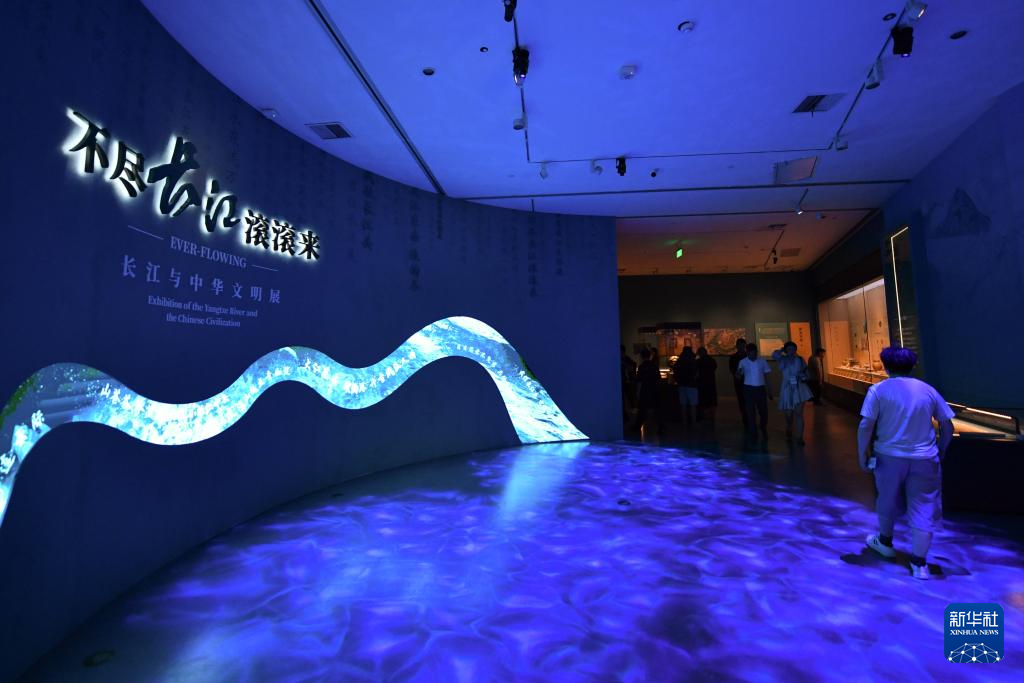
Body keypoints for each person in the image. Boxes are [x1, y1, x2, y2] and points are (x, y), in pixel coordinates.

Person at [859, 347, 954, 580]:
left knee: (886, 498)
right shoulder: (927, 390)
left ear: (885, 366)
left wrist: (862, 454)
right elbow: (947, 425)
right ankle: (919, 563)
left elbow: (866, 425)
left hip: (888, 456)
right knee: (924, 506)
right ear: (913, 366)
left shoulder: (878, 390)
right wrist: (941, 449)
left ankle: (885, 542)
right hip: (925, 458)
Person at [772, 342, 814, 444]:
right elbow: (774, 355)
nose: (791, 351)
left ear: (795, 350)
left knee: (799, 414)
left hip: (799, 387)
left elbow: (807, 373)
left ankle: (800, 437)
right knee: (788, 415)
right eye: (788, 349)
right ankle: (789, 426)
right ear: (786, 350)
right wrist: (781, 350)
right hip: (786, 388)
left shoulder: (800, 359)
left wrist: (803, 376)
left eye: (793, 349)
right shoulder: (782, 359)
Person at [737, 343, 772, 438]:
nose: (751, 355)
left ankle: (763, 426)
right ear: (747, 352)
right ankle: (753, 431)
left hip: (760, 388)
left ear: (756, 352)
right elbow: (738, 376)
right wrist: (738, 373)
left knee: (763, 411)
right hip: (748, 389)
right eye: (749, 353)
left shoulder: (762, 361)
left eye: (753, 353)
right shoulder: (742, 362)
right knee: (750, 411)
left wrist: (769, 390)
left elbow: (767, 376)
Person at [632, 347, 661, 434]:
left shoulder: (641, 367)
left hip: (644, 390)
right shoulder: (654, 366)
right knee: (656, 409)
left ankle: (637, 426)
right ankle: (661, 426)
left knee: (642, 409)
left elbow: (639, 381)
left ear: (642, 356)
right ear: (649, 355)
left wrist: (637, 392)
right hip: (654, 390)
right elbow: (658, 378)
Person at [673, 347, 698, 425]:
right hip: (692, 385)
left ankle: (684, 422)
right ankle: (693, 422)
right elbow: (696, 373)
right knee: (693, 405)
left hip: (681, 385)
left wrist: (678, 381)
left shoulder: (679, 361)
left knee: (683, 405)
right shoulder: (693, 361)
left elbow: (675, 372)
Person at [729, 338, 750, 429]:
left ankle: (749, 417)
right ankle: (745, 418)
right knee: (742, 401)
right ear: (737, 346)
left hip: (748, 382)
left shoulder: (748, 356)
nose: (741, 347)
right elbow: (732, 370)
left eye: (743, 345)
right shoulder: (734, 357)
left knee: (748, 401)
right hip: (739, 382)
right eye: (740, 345)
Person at [696, 346, 718, 424]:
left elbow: (697, 372)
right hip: (710, 382)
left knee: (703, 400)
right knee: (711, 400)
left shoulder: (698, 361)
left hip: (702, 383)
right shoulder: (712, 360)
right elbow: (714, 367)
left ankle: (704, 416)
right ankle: (711, 416)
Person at [620, 345, 637, 421]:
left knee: (628, 397)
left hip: (627, 381)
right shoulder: (626, 359)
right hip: (626, 381)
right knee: (628, 397)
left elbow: (632, 367)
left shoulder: (625, 359)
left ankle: (628, 414)